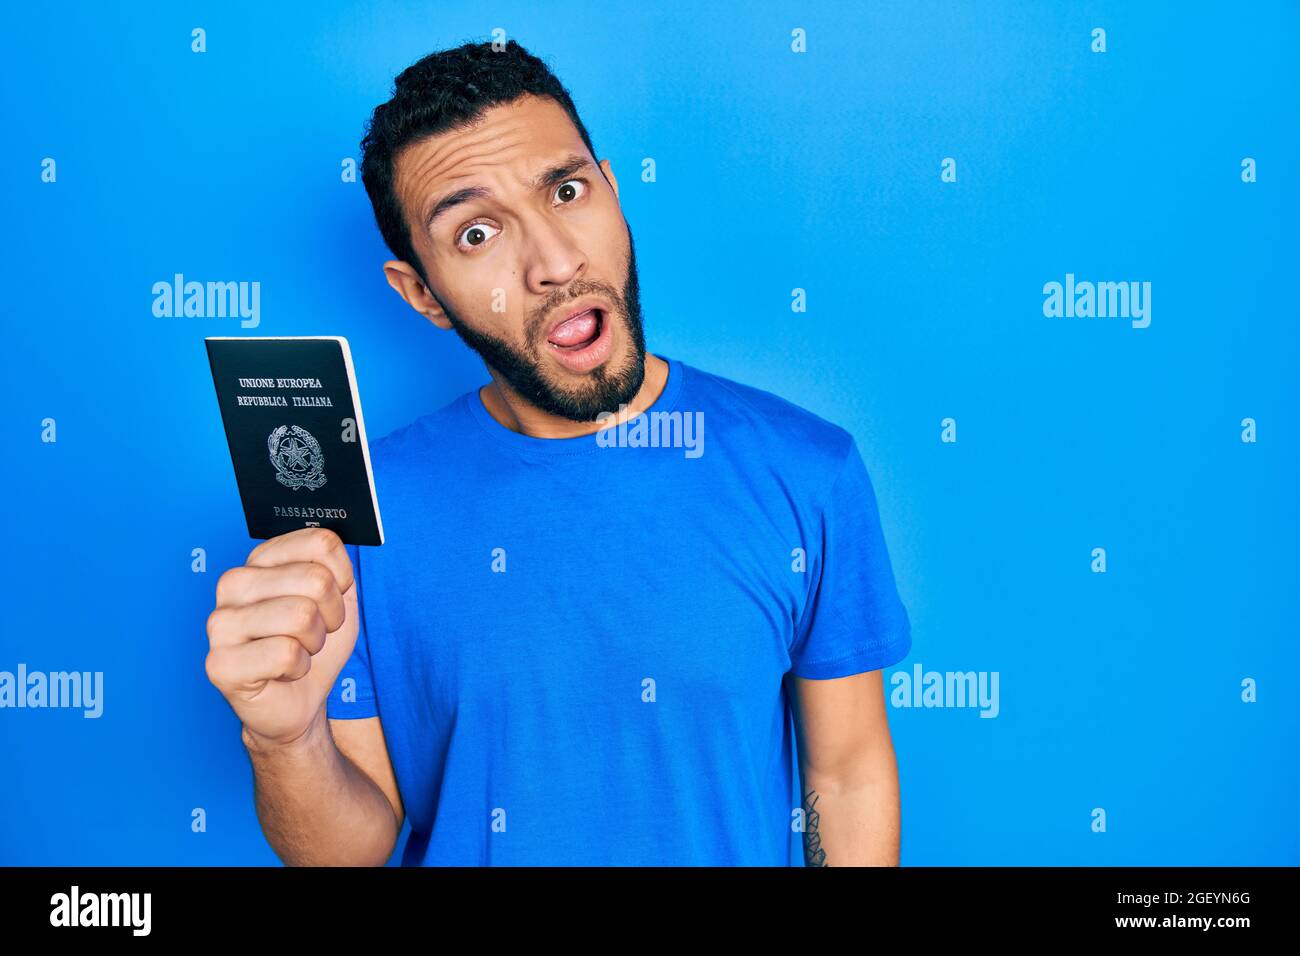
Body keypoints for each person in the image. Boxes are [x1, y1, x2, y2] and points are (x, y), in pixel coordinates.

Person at [204, 39, 912, 866]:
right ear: (421, 293)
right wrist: (283, 742)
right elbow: (350, 852)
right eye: (475, 234)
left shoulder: (805, 472)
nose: (554, 262)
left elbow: (848, 770)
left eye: (567, 192)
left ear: (612, 191)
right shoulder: (357, 518)